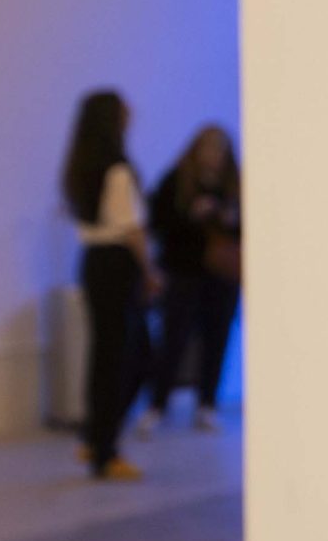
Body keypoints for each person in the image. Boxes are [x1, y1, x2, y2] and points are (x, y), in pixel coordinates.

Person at [61, 89, 158, 481]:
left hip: (94, 264)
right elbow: (132, 228)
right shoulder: (117, 169)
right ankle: (104, 449)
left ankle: (96, 438)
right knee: (126, 359)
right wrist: (150, 272)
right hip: (118, 264)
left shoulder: (81, 167)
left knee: (108, 357)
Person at [145, 124, 243, 429]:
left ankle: (207, 403)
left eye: (219, 149)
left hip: (222, 275)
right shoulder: (176, 181)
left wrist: (229, 218)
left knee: (217, 338)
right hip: (184, 272)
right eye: (209, 148)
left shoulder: (234, 186)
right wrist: (192, 215)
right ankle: (158, 404)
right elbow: (158, 222)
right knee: (174, 338)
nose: (213, 155)